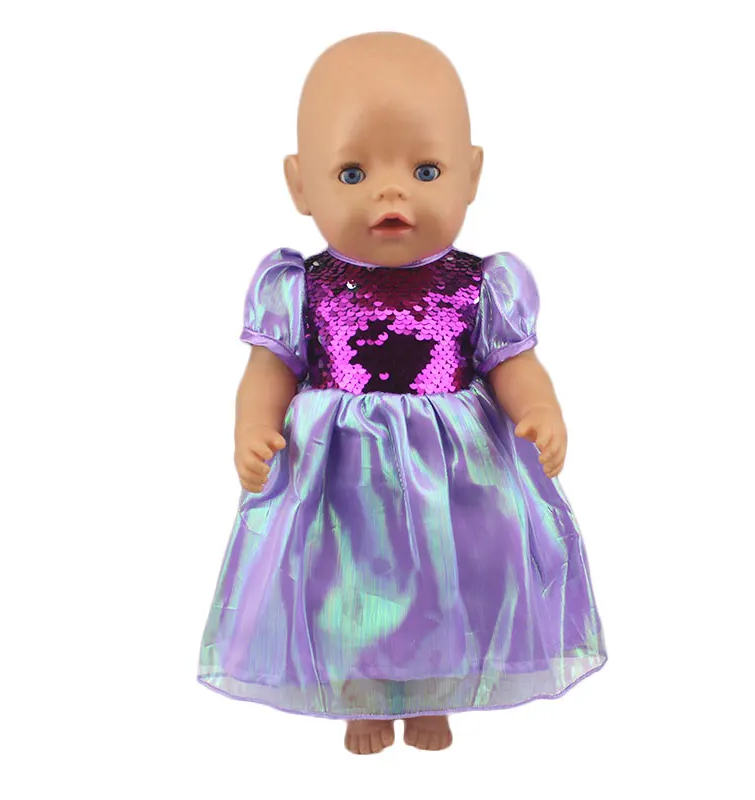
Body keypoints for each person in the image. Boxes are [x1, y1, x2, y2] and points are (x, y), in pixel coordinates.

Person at [198, 31, 607, 755]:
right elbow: (268, 370)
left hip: (454, 473)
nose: (391, 192)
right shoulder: (300, 285)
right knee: (345, 583)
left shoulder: (482, 282)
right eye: (352, 173)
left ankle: (434, 694)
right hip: (338, 473)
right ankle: (360, 695)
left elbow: (514, 363)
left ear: (471, 175)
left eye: (425, 169)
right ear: (300, 185)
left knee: (452, 581)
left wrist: (539, 410)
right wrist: (253, 427)